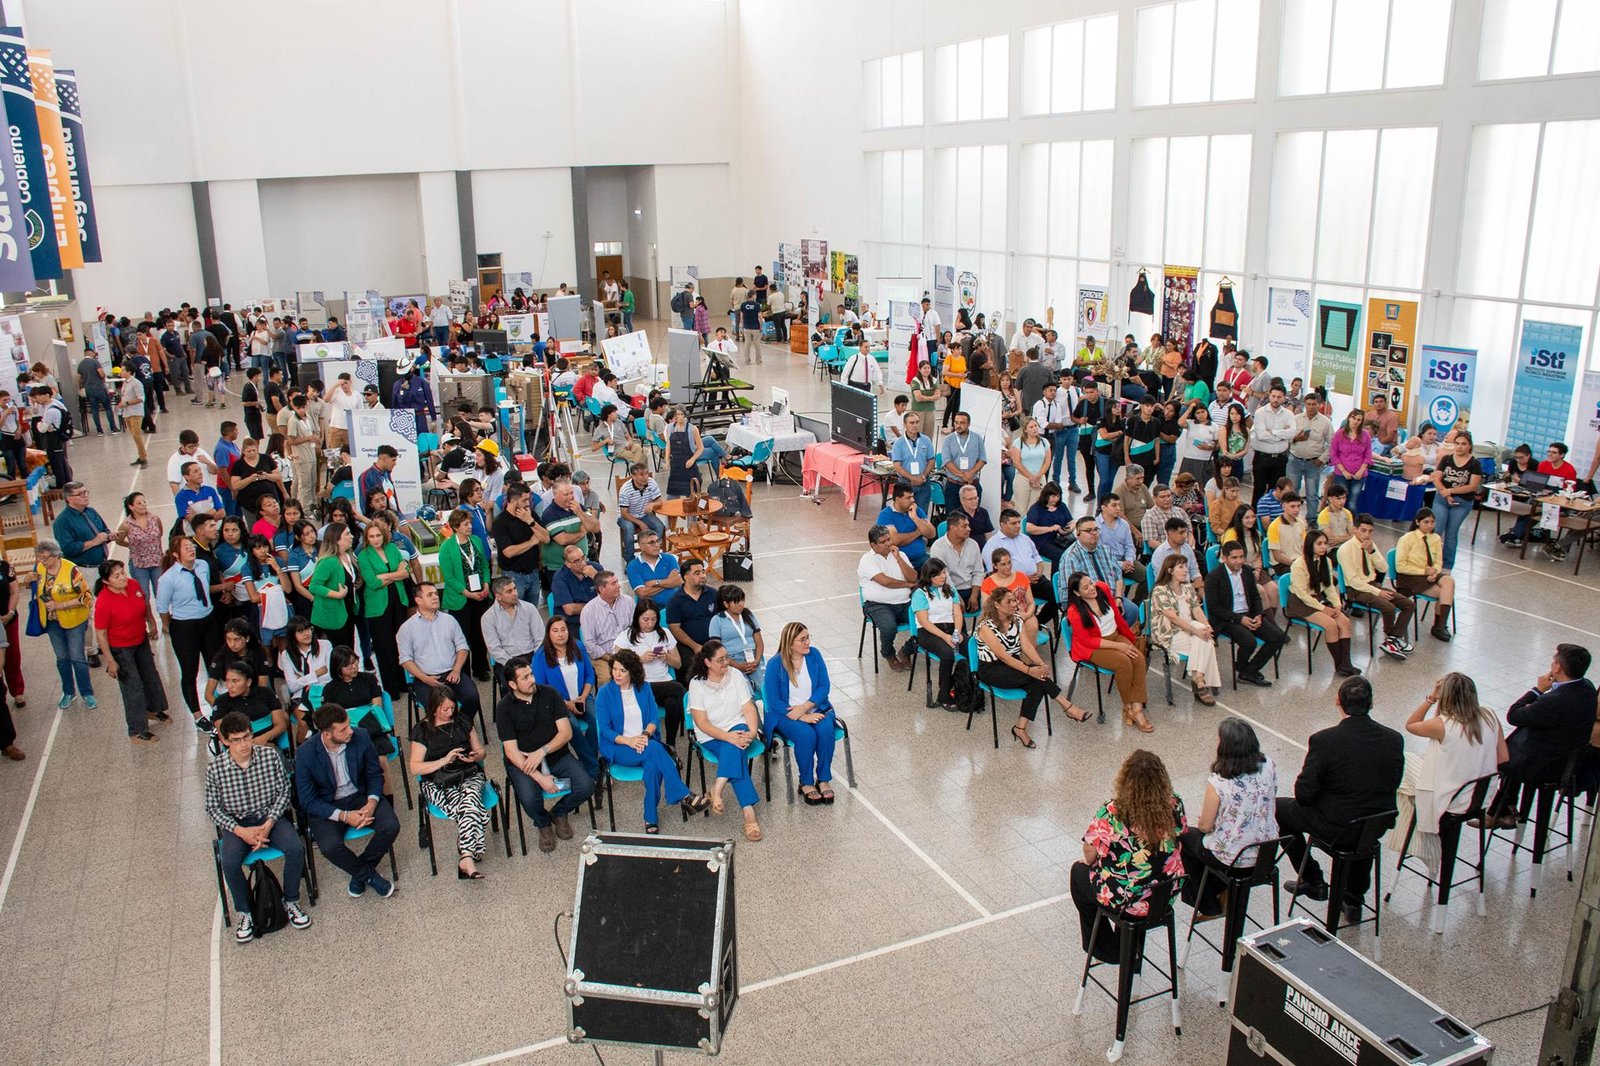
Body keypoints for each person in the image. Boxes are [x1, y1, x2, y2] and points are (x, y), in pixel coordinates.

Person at [1278, 677, 1404, 921]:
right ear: (1372, 703)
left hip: (1338, 826)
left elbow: (1304, 794)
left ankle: (1313, 879)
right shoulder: (1394, 738)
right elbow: (1393, 781)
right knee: (1363, 823)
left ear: (1338, 701)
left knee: (1275, 810)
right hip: (1376, 823)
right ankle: (1353, 898)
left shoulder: (1324, 740)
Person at [206, 711, 312, 942]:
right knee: (230, 861)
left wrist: (269, 823)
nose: (244, 744)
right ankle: (246, 912)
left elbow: (284, 791)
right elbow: (213, 809)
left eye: (246, 737)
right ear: (225, 741)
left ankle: (291, 900)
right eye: (236, 740)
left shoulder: (269, 756)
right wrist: (240, 831)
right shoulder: (215, 769)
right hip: (238, 824)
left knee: (295, 848)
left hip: (269, 817)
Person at [1071, 750, 1187, 961]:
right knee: (1148, 871)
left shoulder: (1114, 811)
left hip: (1129, 900)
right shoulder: (1174, 804)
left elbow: (1089, 854)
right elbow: (1182, 834)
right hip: (1164, 895)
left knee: (1078, 873)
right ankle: (1130, 944)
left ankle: (1107, 949)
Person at [1387, 673, 1506, 866]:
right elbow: (1503, 757)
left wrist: (1431, 698)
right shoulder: (1489, 715)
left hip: (1451, 798)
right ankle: (1423, 836)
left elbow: (1410, 724)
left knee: (1404, 764)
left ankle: (1422, 842)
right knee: (1411, 778)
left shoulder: (1443, 725)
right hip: (1482, 795)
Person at [295, 702, 401, 899]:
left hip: (360, 796)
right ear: (327, 734)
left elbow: (375, 775)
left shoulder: (361, 736)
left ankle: (360, 873)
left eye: (348, 725)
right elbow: (308, 801)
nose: (350, 731)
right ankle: (368, 875)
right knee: (329, 847)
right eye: (343, 729)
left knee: (391, 826)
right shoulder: (305, 754)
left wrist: (371, 802)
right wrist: (344, 816)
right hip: (327, 805)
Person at [597, 651, 708, 832]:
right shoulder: (604, 693)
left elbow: (653, 720)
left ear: (632, 672)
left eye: (622, 670)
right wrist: (630, 741)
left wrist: (644, 736)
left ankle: (650, 817)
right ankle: (684, 795)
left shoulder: (644, 688)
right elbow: (605, 730)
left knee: (653, 767)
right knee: (657, 751)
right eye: (615, 669)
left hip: (645, 742)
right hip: (619, 747)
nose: (617, 674)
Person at [1488, 645, 1597, 827]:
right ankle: (1506, 807)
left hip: (1548, 765)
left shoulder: (1554, 700)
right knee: (1516, 745)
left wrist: (1537, 690)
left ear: (1557, 668)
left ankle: (1503, 809)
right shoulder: (1587, 687)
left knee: (1504, 755)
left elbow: (1513, 715)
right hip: (1570, 758)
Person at [1179, 720, 1279, 914]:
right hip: (1267, 853)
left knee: (1184, 837)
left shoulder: (1219, 781)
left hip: (1233, 861)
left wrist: (1213, 821)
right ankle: (1217, 890)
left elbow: (1205, 826)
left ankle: (1207, 903)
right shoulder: (1268, 765)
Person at [409, 686, 492, 879]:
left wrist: (474, 757)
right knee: (471, 807)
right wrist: (444, 760)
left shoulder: (462, 721)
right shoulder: (423, 730)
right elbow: (415, 767)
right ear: (433, 708)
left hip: (468, 774)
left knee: (470, 798)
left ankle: (466, 857)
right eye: (444, 709)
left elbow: (481, 751)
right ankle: (469, 855)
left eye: (452, 708)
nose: (449, 713)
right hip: (438, 782)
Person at [687, 639, 765, 842]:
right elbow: (702, 723)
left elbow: (748, 707)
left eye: (727, 658)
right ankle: (748, 814)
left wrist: (753, 731)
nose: (726, 663)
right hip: (711, 735)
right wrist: (729, 737)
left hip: (738, 727)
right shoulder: (696, 684)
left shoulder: (736, 675)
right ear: (707, 663)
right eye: (721, 660)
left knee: (736, 743)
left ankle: (718, 788)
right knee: (735, 750)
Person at [1063, 570, 1153, 732]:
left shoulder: (1102, 588)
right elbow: (1087, 640)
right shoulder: (1074, 612)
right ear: (1077, 593)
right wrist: (1119, 646)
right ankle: (1129, 706)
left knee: (1138, 658)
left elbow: (1117, 617)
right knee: (1123, 663)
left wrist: (1126, 639)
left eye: (1090, 582)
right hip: (1092, 647)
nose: (1091, 588)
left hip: (1115, 635)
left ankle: (1136, 708)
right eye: (1085, 587)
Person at [762, 623, 839, 805]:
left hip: (815, 707)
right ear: (789, 644)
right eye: (802, 639)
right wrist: (801, 716)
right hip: (785, 713)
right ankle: (806, 782)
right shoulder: (775, 664)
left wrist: (805, 709)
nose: (808, 642)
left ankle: (823, 779)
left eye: (808, 637)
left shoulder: (814, 655)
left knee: (826, 729)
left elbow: (824, 687)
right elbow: (773, 701)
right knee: (806, 734)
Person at [93, 559, 168, 743]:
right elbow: (101, 634)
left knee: (150, 675)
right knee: (132, 686)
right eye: (116, 576)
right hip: (121, 648)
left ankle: (153, 708)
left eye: (122, 572)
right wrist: (111, 661)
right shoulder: (103, 602)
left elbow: (144, 604)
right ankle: (137, 730)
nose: (122, 578)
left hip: (140, 639)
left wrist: (151, 621)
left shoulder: (133, 585)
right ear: (106, 581)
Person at [156, 535, 220, 730]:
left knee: (215, 666)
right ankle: (197, 714)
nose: (191, 549)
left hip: (208, 621)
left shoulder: (202, 565)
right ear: (176, 554)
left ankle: (218, 705)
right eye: (186, 547)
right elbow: (162, 607)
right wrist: (170, 627)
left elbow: (205, 589)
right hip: (184, 627)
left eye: (192, 546)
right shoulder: (168, 578)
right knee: (190, 670)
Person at [397, 583, 483, 728]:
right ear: (418, 600)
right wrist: (425, 678)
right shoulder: (407, 628)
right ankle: (444, 733)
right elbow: (405, 660)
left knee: (472, 697)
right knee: (437, 707)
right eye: (429, 595)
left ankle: (459, 727)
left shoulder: (449, 620)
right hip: (426, 678)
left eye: (436, 593)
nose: (435, 597)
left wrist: (456, 669)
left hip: (452, 673)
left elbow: (462, 647)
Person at [1204, 541, 1288, 688]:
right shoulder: (1214, 577)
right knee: (1249, 641)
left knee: (1278, 637)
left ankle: (1248, 671)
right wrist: (1239, 619)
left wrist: (1258, 615)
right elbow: (1214, 608)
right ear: (1225, 558)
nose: (1239, 561)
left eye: (1241, 557)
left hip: (1248, 614)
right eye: (1234, 558)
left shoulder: (1247, 572)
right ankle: (1244, 668)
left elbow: (1255, 597)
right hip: (1226, 619)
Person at [1336, 514, 1416, 661]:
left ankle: (1392, 639)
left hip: (1373, 585)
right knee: (1389, 607)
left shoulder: (1371, 545)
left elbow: (1384, 567)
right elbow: (1354, 581)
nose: (1367, 534)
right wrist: (1378, 592)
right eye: (1363, 530)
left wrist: (1372, 552)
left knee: (1408, 604)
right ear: (1355, 530)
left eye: (1370, 531)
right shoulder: (1345, 550)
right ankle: (1391, 640)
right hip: (1356, 591)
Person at [533, 616, 600, 782]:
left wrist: (583, 697)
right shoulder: (540, 656)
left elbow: (589, 675)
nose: (560, 634)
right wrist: (567, 704)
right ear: (548, 634)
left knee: (596, 719)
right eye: (555, 631)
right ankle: (594, 768)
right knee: (573, 726)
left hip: (581, 697)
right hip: (557, 704)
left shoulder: (578, 646)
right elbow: (541, 689)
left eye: (563, 629)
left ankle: (588, 762)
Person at [32, 539, 96, 711]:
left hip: (74, 620)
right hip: (52, 622)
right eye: (39, 558)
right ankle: (68, 691)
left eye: (45, 558)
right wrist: (28, 579)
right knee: (62, 658)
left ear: (56, 555)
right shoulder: (39, 569)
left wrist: (61, 605)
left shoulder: (72, 570)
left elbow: (87, 597)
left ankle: (87, 693)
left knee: (77, 657)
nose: (42, 562)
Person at [1148, 556, 1221, 705]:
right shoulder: (1159, 590)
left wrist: (1207, 626)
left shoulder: (1188, 587)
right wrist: (1197, 632)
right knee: (1204, 642)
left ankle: (1198, 678)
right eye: (1181, 567)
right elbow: (1173, 618)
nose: (1186, 570)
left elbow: (1196, 609)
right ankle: (1199, 681)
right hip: (1168, 632)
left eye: (1186, 566)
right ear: (1170, 570)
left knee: (1204, 636)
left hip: (1188, 627)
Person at [1287, 529, 1358, 677]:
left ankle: (1346, 664)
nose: (1323, 547)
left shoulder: (1326, 560)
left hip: (1318, 600)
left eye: (1325, 543)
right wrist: (1323, 609)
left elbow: (1329, 586)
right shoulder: (1299, 564)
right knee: (1330, 625)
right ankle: (1339, 665)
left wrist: (1337, 603)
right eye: (1319, 544)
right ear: (1310, 545)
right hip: (1300, 603)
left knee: (1344, 622)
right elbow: (1302, 594)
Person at [357, 520, 410, 697]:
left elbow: (405, 573)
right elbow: (372, 582)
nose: (375, 539)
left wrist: (385, 576)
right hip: (377, 606)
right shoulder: (364, 556)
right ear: (367, 538)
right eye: (371, 536)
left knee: (400, 643)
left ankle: (405, 683)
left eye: (378, 535)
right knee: (384, 646)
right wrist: (395, 575)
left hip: (397, 600)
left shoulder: (393, 549)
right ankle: (391, 688)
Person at [439, 508, 493, 679]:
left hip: (481, 595)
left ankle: (480, 668)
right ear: (456, 527)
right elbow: (449, 577)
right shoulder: (447, 547)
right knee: (462, 636)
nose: (470, 527)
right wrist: (467, 593)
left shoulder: (476, 540)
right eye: (466, 524)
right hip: (461, 598)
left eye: (470, 523)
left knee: (480, 633)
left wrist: (486, 584)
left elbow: (484, 565)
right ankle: (462, 671)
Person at [859, 523, 918, 671]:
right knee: (889, 628)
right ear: (873, 545)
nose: (888, 544)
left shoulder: (900, 555)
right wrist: (907, 584)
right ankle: (888, 654)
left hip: (905, 602)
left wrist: (898, 559)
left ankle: (906, 651)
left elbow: (914, 577)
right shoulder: (867, 560)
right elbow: (886, 582)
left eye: (888, 540)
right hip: (878, 604)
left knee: (925, 622)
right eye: (883, 542)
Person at [911, 559, 965, 711]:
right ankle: (943, 695)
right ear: (930, 576)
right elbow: (925, 622)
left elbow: (957, 614)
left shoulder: (949, 590)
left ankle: (963, 685)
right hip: (929, 632)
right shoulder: (920, 594)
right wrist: (945, 637)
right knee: (948, 654)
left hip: (951, 629)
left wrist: (957, 633)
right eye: (939, 574)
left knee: (973, 647)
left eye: (944, 573)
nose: (944, 576)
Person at [1393, 508, 1455, 642]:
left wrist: (1435, 572)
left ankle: (1440, 625)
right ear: (1417, 522)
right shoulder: (1407, 539)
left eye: (1432, 522)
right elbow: (1400, 566)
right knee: (1445, 593)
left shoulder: (1435, 538)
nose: (1430, 525)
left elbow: (1438, 561)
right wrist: (1424, 572)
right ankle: (1439, 626)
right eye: (1426, 522)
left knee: (1449, 582)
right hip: (1411, 576)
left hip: (1429, 574)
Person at [1430, 430, 1482, 571]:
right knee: (1436, 531)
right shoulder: (1446, 459)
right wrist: (1445, 494)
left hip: (1462, 502)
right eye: (1457, 443)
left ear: (1469, 446)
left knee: (1451, 533)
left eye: (1463, 444)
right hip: (1442, 499)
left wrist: (1451, 491)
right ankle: (1430, 562)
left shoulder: (1474, 463)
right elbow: (1436, 478)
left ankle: (1447, 566)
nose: (1459, 447)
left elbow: (1472, 486)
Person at [309, 522, 358, 652]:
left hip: (348, 610)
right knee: (341, 651)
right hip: (333, 614)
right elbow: (314, 586)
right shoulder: (329, 561)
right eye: (347, 534)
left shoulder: (349, 556)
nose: (352, 536)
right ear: (337, 539)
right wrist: (336, 594)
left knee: (349, 648)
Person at [1287, 392, 1332, 517]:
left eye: (1314, 404)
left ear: (1319, 405)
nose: (1311, 407)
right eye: (1308, 404)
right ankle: (1289, 516)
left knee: (1312, 493)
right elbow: (1286, 438)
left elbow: (1331, 444)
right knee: (1291, 491)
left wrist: (1322, 459)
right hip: (1294, 460)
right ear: (1304, 404)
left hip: (1313, 462)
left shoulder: (1325, 422)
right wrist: (1296, 438)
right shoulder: (1295, 419)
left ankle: (1312, 519)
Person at [1249, 385, 1295, 507]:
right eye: (1273, 396)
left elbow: (1291, 433)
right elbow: (1261, 435)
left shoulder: (1288, 414)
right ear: (1269, 396)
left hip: (1280, 458)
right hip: (1262, 458)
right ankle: (1255, 517)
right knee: (1259, 489)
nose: (1275, 399)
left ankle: (1273, 517)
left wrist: (1272, 432)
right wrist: (1281, 434)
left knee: (1277, 491)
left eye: (1279, 397)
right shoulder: (1260, 413)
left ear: (1284, 398)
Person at [930, 511, 984, 613]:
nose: (969, 529)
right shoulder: (938, 547)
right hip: (947, 589)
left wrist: (974, 596)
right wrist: (956, 597)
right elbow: (944, 576)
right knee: (956, 616)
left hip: (971, 589)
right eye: (964, 526)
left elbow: (979, 572)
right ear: (952, 528)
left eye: (968, 525)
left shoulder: (973, 544)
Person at [666, 557, 717, 656]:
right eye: (697, 573)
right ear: (686, 577)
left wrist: (716, 641)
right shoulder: (675, 601)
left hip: (714, 642)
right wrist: (695, 646)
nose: (703, 576)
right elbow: (675, 628)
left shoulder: (713, 593)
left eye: (703, 571)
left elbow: (721, 619)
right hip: (688, 646)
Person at [615, 463, 665, 565]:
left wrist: (653, 504)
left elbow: (660, 501)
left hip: (644, 514)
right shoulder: (625, 490)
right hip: (627, 517)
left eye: (646, 473)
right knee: (629, 529)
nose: (645, 477)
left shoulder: (651, 483)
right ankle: (630, 561)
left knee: (660, 527)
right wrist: (640, 523)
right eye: (641, 475)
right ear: (633, 476)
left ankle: (650, 553)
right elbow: (624, 513)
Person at [889, 412, 937, 514]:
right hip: (905, 483)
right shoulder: (899, 443)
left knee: (922, 513)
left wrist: (923, 477)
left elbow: (931, 460)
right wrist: (913, 479)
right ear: (905, 425)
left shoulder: (926, 440)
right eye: (911, 423)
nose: (915, 425)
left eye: (917, 422)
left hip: (923, 483)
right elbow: (897, 466)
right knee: (905, 513)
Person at [1329, 408, 1373, 513]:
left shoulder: (1366, 435)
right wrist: (1344, 471)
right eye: (1354, 418)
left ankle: (1351, 524)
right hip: (1341, 473)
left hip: (1359, 474)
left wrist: (1361, 471)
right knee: (1340, 501)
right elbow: (1334, 455)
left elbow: (1367, 455)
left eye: (1359, 419)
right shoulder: (1339, 434)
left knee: (1352, 503)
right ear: (1349, 418)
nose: (1356, 421)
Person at [626, 530, 683, 609]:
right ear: (641, 547)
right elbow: (642, 593)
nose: (657, 545)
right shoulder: (633, 566)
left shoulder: (670, 559)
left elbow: (678, 581)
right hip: (649, 611)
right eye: (652, 542)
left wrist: (656, 582)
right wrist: (668, 581)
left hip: (675, 607)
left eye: (657, 541)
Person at [939, 412, 986, 496]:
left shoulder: (977, 438)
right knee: (953, 509)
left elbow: (982, 459)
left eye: (962, 423)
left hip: (973, 484)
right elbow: (946, 461)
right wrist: (963, 475)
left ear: (969, 424)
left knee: (973, 509)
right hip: (954, 485)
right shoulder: (948, 439)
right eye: (956, 422)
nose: (958, 425)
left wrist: (971, 473)